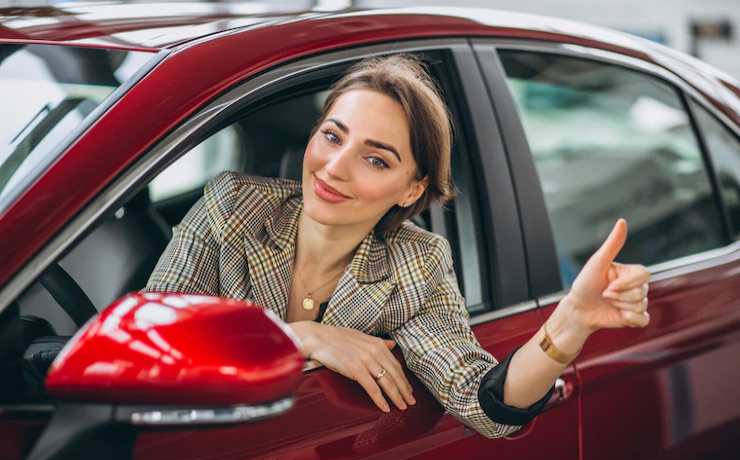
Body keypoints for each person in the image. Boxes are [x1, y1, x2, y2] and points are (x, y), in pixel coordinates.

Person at [144, 54, 650, 439]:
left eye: (377, 160)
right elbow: (151, 342)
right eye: (332, 136)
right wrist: (300, 337)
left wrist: (569, 324)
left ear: (411, 189)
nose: (335, 166)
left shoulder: (417, 264)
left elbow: (484, 405)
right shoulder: (233, 205)